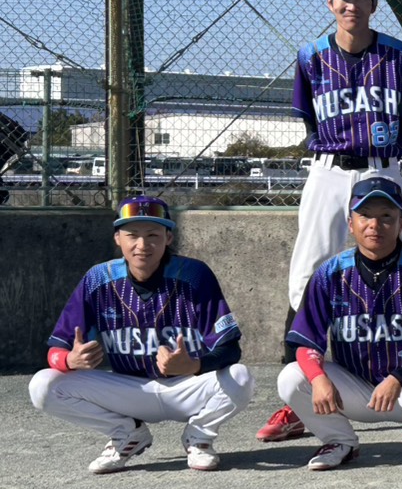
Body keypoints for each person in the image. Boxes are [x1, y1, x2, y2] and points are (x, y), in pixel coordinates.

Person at [259, 0, 402, 444]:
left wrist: (388, 156)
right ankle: (297, 396)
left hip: (381, 167)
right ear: (331, 3)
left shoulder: (400, 55)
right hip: (329, 170)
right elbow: (309, 119)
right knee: (307, 274)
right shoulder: (311, 56)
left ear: (373, 4)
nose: (351, 4)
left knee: (401, 269)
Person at [32, 195, 253, 473]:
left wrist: (195, 365)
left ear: (168, 238)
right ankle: (127, 433)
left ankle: (199, 437)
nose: (142, 245)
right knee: (43, 385)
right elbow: (56, 349)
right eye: (132, 235)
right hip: (129, 390)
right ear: (117, 238)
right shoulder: (97, 278)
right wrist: (68, 360)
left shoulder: (194, 275)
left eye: (152, 235)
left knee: (240, 377)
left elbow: (230, 348)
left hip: (186, 388)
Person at [278, 178, 402, 470]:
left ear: (401, 223)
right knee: (291, 377)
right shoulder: (329, 273)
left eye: (386, 216)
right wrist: (318, 379)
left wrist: (398, 378)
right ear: (350, 223)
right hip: (351, 390)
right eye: (365, 215)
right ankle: (339, 440)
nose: (374, 225)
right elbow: (306, 341)